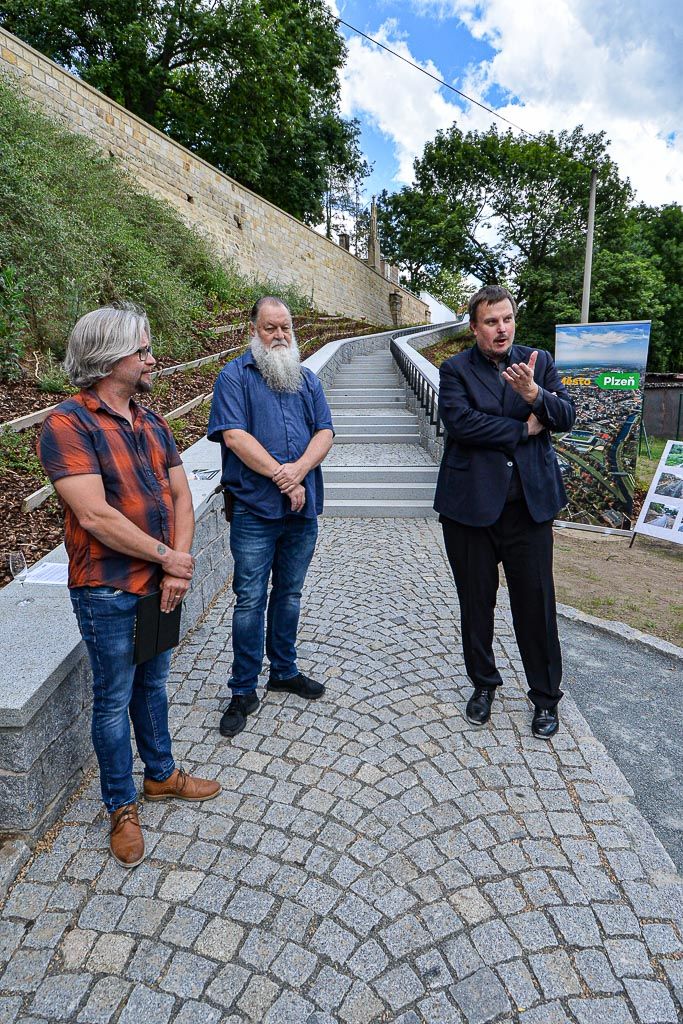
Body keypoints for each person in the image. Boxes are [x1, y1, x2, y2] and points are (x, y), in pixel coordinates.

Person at [39, 304, 220, 868]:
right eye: (142, 350)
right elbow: (94, 517)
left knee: (154, 684)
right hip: (108, 590)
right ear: (109, 358)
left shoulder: (152, 422)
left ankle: (161, 776)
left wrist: (177, 564)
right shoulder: (68, 424)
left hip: (160, 583)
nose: (151, 359)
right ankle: (120, 805)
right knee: (114, 699)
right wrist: (170, 557)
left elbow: (181, 495)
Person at [434, 285, 576, 739]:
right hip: (470, 509)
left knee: (536, 607)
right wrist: (524, 427)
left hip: (528, 510)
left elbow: (566, 415)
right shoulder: (454, 369)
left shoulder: (539, 362)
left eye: (508, 319)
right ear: (474, 326)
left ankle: (545, 698)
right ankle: (483, 685)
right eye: (491, 321)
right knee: (476, 605)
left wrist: (535, 395)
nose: (501, 329)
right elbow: (461, 423)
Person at [208, 296, 334, 738]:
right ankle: (243, 688)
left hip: (303, 510)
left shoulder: (306, 380)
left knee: (291, 594)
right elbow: (234, 436)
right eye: (270, 328)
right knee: (249, 600)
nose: (279, 336)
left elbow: (325, 432)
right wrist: (284, 478)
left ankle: (283, 669)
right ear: (253, 330)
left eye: (285, 328)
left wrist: (299, 471)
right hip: (255, 509)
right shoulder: (233, 377)